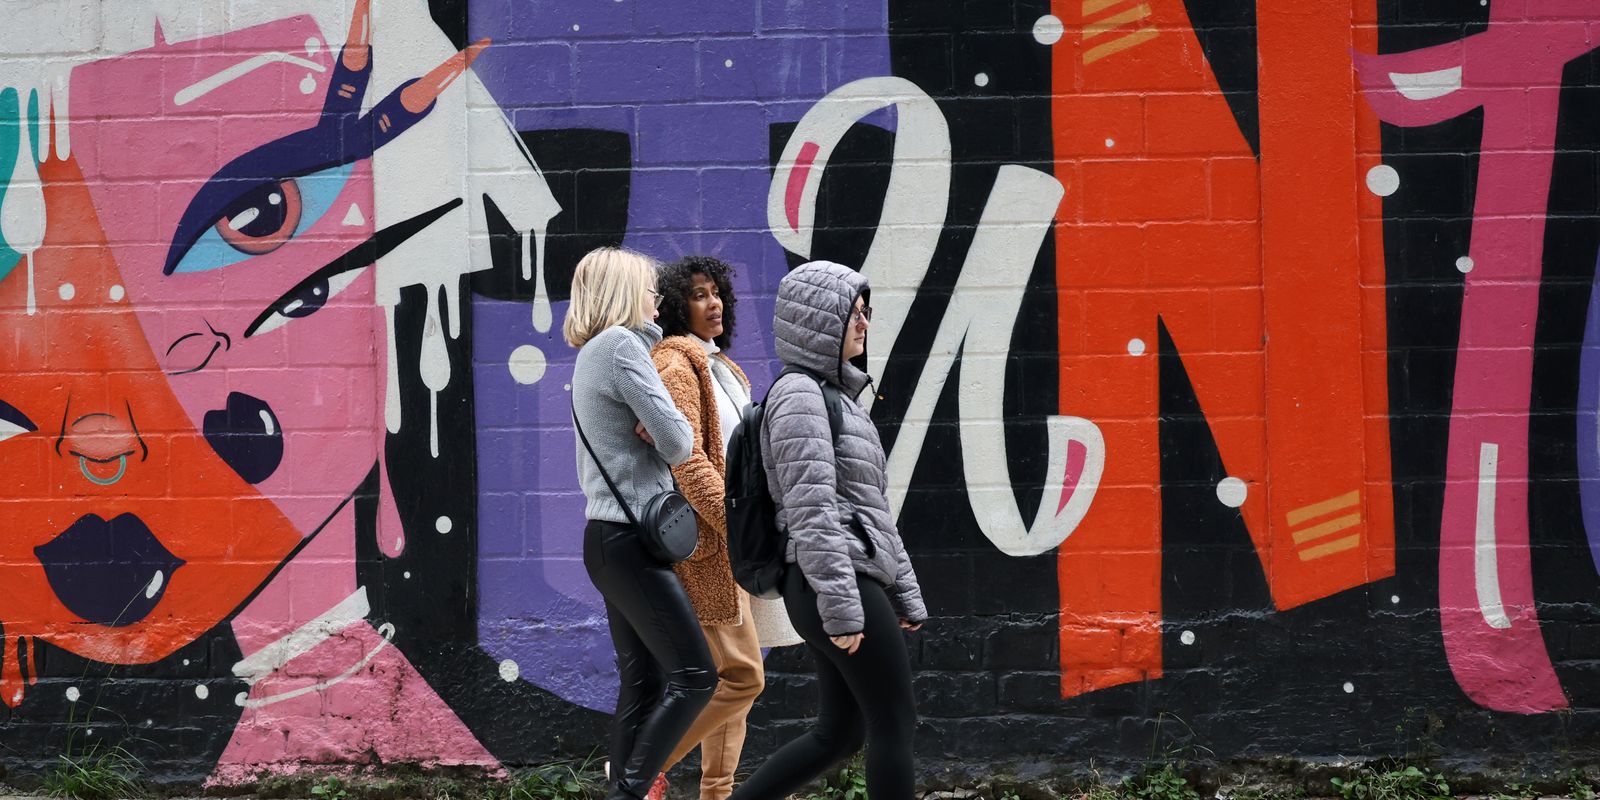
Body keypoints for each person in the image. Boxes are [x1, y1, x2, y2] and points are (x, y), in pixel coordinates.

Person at [729, 261, 927, 800]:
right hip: (831, 582)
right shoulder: (800, 395)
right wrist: (842, 607)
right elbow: (811, 508)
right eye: (852, 313)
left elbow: (872, 509)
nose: (864, 323)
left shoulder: (837, 399)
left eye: (865, 312)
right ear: (818, 320)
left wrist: (905, 592)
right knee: (894, 721)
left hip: (837, 578)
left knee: (840, 732)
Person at [649, 256, 801, 800]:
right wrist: (736, 526)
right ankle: (638, 770)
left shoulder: (724, 369)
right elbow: (688, 462)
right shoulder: (676, 365)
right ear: (675, 307)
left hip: (736, 543)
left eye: (715, 292)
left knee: (735, 683)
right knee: (742, 677)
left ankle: (717, 792)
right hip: (712, 547)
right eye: (698, 294)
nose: (712, 302)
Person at [565, 246, 714, 800]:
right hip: (630, 542)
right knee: (696, 676)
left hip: (611, 541)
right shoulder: (620, 346)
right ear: (625, 292)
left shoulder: (595, 353)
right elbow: (678, 441)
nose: (657, 298)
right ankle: (629, 792)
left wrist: (659, 426)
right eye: (650, 288)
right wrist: (667, 425)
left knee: (645, 682)